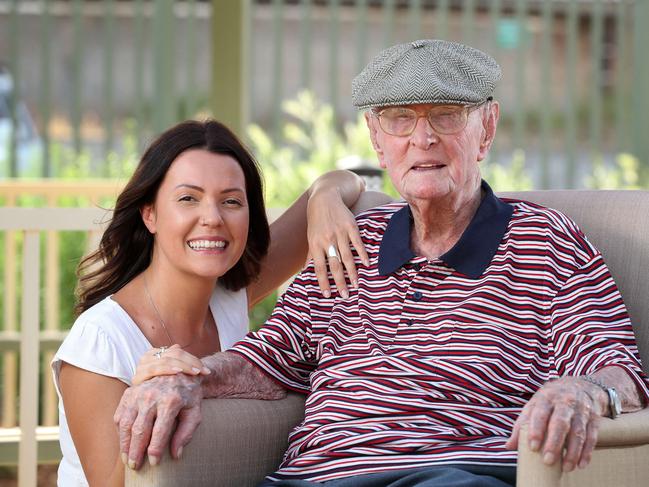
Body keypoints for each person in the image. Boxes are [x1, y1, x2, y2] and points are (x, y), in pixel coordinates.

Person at [115, 41, 649, 487]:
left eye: (446, 115)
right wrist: (190, 377)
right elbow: (269, 357)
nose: (423, 138)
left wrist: (583, 390)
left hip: (453, 475)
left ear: (486, 128)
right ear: (377, 138)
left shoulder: (544, 240)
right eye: (400, 119)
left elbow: (619, 371)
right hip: (315, 477)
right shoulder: (355, 238)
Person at [51, 119, 377, 486]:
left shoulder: (228, 297)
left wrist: (326, 199)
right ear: (150, 214)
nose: (213, 218)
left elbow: (344, 179)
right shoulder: (100, 342)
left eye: (231, 201)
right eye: (188, 198)